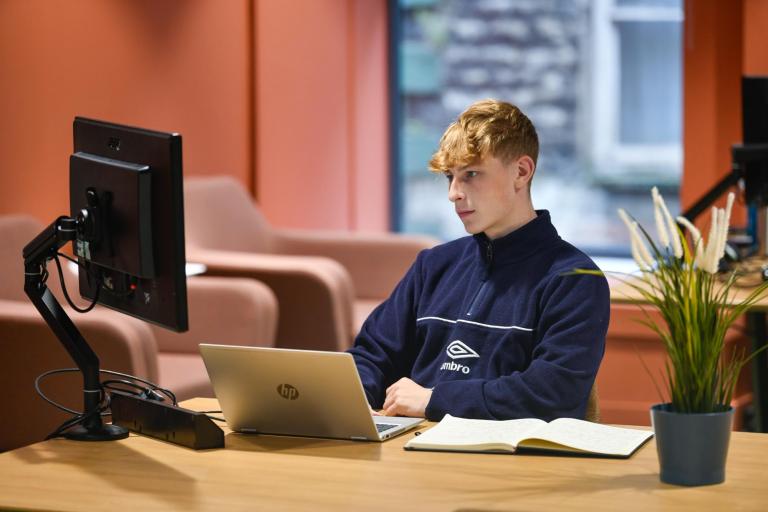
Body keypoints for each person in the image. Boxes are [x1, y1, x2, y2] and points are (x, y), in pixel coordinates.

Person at [349, 99, 610, 421]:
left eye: (471, 174)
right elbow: (372, 356)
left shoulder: (575, 279)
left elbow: (553, 392)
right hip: (409, 451)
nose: (453, 193)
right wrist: (350, 398)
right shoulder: (433, 265)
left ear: (521, 172)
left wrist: (435, 400)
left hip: (509, 463)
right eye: (450, 177)